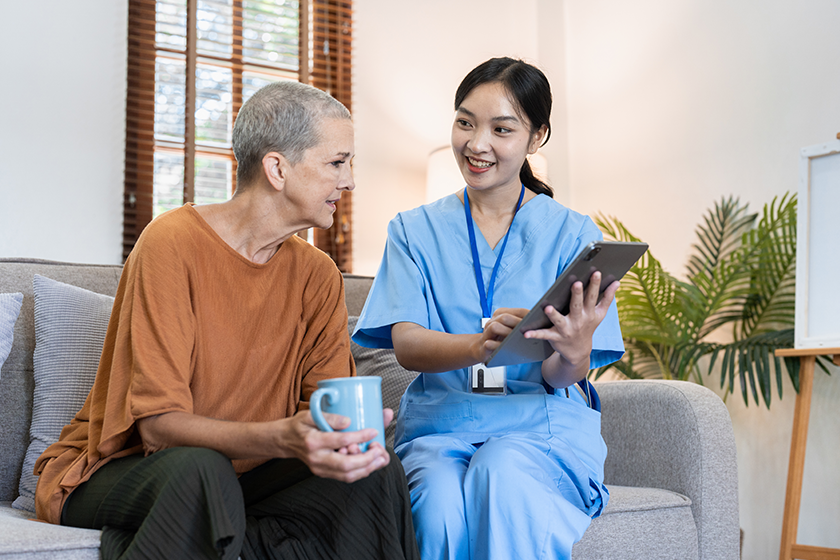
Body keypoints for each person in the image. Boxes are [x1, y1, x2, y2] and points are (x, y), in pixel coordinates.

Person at [33, 80, 420, 560]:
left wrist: (345, 441)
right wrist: (281, 436)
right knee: (201, 470)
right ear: (277, 168)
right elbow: (157, 428)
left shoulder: (318, 275)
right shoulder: (170, 243)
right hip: (122, 471)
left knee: (372, 471)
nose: (350, 181)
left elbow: (326, 414)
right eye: (337, 162)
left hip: (247, 476)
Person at [352, 57, 625, 560]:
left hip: (538, 426)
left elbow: (566, 377)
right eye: (465, 122)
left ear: (537, 137)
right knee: (434, 506)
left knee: (500, 473)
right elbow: (407, 345)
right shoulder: (414, 230)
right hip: (442, 426)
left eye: (501, 129)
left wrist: (573, 347)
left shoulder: (574, 235)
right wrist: (481, 346)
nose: (477, 144)